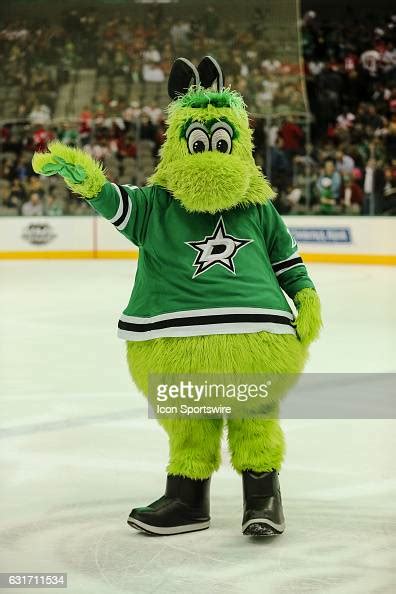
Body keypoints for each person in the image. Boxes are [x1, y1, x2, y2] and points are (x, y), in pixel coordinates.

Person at [33, 56, 322, 538]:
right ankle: (187, 499)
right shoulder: (156, 206)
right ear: (177, 143)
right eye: (199, 141)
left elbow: (286, 262)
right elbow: (113, 200)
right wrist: (85, 176)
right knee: (189, 421)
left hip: (254, 336)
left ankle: (263, 496)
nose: (210, 154)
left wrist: (305, 296)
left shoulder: (257, 207)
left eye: (222, 141)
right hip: (175, 336)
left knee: (253, 419)